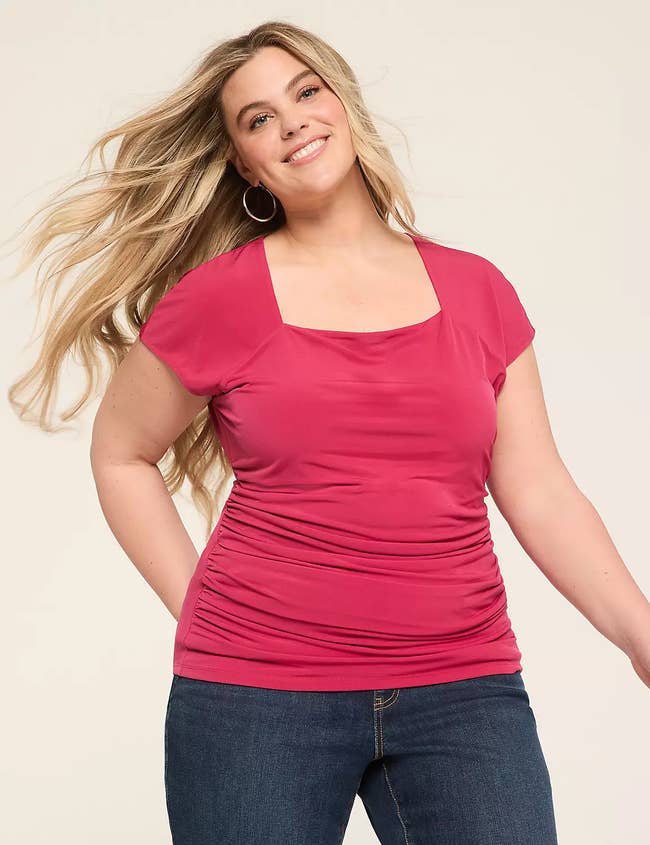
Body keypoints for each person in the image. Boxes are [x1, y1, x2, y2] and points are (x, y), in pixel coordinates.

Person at [9, 19, 649, 845]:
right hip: (257, 699)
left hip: (463, 689)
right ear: (245, 163)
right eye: (259, 118)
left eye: (306, 92)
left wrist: (641, 635)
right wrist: (198, 608)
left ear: (342, 103)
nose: (293, 123)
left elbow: (540, 489)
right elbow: (120, 453)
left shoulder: (477, 290)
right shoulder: (218, 298)